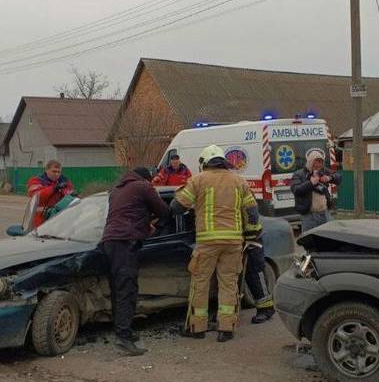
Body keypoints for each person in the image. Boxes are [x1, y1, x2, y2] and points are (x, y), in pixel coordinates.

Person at [172, 145, 262, 342]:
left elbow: (177, 207)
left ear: (204, 163)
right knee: (229, 284)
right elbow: (252, 213)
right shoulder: (239, 181)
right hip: (233, 242)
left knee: (200, 283)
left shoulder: (198, 180)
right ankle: (226, 329)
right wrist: (252, 235)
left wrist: (185, 193)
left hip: (207, 243)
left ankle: (197, 328)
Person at [101, 167, 170, 356]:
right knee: (127, 289)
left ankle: (124, 332)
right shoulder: (143, 186)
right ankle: (123, 338)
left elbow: (125, 213)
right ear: (146, 178)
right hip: (126, 241)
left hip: (109, 242)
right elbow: (164, 210)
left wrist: (144, 219)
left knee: (118, 288)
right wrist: (154, 224)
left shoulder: (116, 190)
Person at [290, 148, 341, 232]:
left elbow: (338, 177)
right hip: (309, 216)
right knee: (310, 241)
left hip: (325, 214)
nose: (318, 166)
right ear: (310, 162)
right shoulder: (299, 174)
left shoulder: (323, 171)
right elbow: (296, 191)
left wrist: (330, 177)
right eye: (315, 163)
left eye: (320, 163)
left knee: (328, 240)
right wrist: (310, 183)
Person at [26, 160, 74, 227]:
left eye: (58, 172)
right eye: (54, 171)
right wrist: (53, 188)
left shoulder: (65, 181)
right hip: (41, 219)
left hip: (60, 218)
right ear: (46, 170)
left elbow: (71, 196)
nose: (56, 174)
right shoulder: (36, 180)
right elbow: (37, 196)